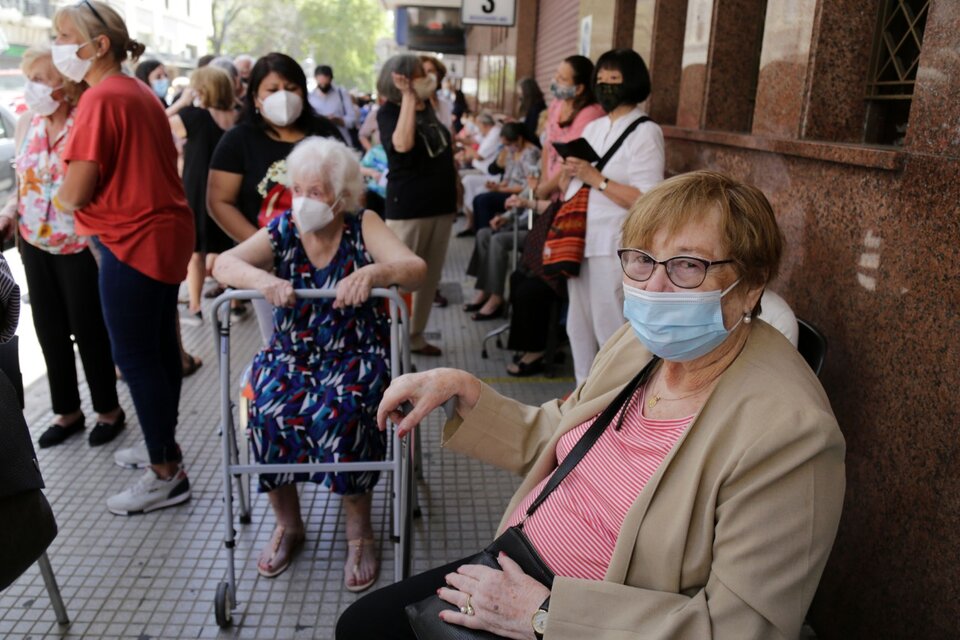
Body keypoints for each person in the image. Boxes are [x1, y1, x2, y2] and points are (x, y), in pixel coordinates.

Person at [336, 170, 846, 640]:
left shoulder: (791, 434)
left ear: (751, 285)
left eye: (688, 266)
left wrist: (545, 616)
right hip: (517, 565)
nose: (654, 288)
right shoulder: (640, 344)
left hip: (585, 621)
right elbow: (562, 432)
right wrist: (466, 389)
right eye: (642, 260)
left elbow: (739, 628)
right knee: (362, 625)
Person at [212, 136, 426, 588]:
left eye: (317, 192)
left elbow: (414, 267)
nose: (305, 202)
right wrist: (261, 280)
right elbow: (223, 265)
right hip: (292, 351)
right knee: (268, 408)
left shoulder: (361, 223)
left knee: (348, 411)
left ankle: (358, 531)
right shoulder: (284, 228)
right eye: (299, 190)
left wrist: (374, 271)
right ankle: (289, 525)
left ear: (342, 196)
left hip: (357, 351)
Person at [52, 0, 194, 514]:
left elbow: (76, 187)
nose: (57, 45)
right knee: (157, 353)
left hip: (131, 239)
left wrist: (62, 197)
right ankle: (164, 449)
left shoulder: (101, 97)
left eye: (64, 36)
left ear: (99, 44)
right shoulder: (135, 90)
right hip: (160, 234)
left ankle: (165, 473)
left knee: (136, 358)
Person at [0, 45, 125, 448]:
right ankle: (67, 410)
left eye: (40, 79)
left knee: (89, 330)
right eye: (30, 79)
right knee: (49, 330)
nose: (32, 88)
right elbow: (25, 181)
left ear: (65, 84)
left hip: (80, 244)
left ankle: (109, 410)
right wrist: (8, 211)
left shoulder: (84, 122)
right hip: (33, 241)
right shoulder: (26, 123)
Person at [208, 52, 342, 342]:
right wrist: (263, 247)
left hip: (329, 259)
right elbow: (219, 201)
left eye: (291, 88)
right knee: (281, 342)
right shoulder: (238, 140)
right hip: (268, 267)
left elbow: (350, 193)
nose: (283, 96)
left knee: (334, 338)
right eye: (272, 90)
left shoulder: (325, 134)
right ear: (255, 97)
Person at [561, 48, 664, 384]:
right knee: (578, 326)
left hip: (614, 244)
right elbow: (577, 182)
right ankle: (581, 396)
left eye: (614, 80)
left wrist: (597, 179)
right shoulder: (593, 127)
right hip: (578, 241)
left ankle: (614, 401)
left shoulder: (645, 132)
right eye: (600, 80)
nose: (605, 87)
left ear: (632, 83)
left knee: (611, 330)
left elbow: (649, 200)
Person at [376, 54, 457, 357]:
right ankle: (390, 338)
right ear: (403, 79)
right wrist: (408, 97)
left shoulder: (430, 108)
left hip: (441, 204)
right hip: (408, 206)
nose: (429, 78)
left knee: (429, 276)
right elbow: (403, 144)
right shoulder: (390, 111)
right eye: (421, 74)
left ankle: (415, 336)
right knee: (400, 276)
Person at [168, 65, 238, 326]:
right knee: (229, 246)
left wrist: (181, 102)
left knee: (196, 251)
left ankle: (196, 305)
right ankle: (235, 300)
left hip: (198, 186)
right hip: (230, 186)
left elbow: (157, 124)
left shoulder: (193, 116)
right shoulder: (236, 116)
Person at [463, 122, 541, 320]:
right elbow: (517, 184)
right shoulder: (512, 153)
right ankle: (484, 289)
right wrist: (504, 215)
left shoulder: (533, 157)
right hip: (518, 210)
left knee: (496, 237)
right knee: (483, 234)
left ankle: (496, 297)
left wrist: (502, 193)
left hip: (530, 217)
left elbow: (528, 191)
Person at [536, 55, 605, 201]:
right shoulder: (557, 103)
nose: (555, 81)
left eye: (562, 79)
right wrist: (544, 181)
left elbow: (573, 159)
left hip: (569, 193)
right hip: (549, 189)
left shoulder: (590, 113)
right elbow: (548, 145)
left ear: (579, 88)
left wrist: (546, 189)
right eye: (556, 75)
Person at [457, 112, 501, 237]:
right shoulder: (488, 132)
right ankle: (467, 214)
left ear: (485, 125)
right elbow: (474, 139)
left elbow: (479, 156)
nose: (477, 129)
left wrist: (465, 148)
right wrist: (459, 139)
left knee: (464, 180)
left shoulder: (495, 134)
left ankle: (470, 218)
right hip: (480, 169)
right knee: (460, 177)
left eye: (479, 126)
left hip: (488, 173)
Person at [308, 65, 358, 147]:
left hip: (341, 141)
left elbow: (352, 119)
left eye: (325, 83)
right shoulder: (310, 97)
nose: (323, 86)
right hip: (318, 143)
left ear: (331, 79)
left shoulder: (341, 94)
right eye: (321, 83)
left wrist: (338, 120)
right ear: (316, 79)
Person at [516, 77, 546, 142]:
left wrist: (517, 126)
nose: (520, 96)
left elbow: (531, 130)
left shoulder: (537, 108)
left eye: (521, 94)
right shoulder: (530, 106)